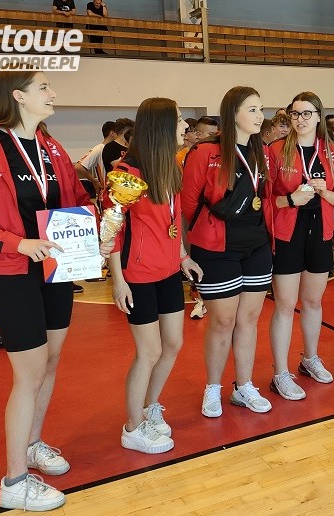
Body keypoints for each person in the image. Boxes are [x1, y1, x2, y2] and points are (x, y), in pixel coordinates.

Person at [0, 71, 92, 511]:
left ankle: (32, 442)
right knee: (29, 374)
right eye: (44, 87)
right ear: (18, 96)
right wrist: (17, 243)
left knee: (50, 363)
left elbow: (76, 199)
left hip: (55, 268)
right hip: (9, 271)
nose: (53, 93)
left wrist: (94, 225)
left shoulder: (51, 146)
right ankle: (14, 481)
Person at [99, 98, 199, 454]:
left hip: (169, 270)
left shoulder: (169, 166)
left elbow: (173, 218)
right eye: (179, 119)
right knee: (149, 351)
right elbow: (112, 232)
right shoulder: (126, 173)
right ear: (160, 127)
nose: (185, 126)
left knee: (173, 343)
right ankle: (132, 426)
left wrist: (182, 255)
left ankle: (150, 406)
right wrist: (118, 280)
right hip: (137, 275)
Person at [182, 86, 274, 416]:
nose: (260, 116)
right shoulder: (205, 152)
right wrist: (189, 248)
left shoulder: (261, 151)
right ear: (232, 113)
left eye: (261, 109)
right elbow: (188, 204)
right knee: (222, 322)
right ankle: (212, 387)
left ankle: (243, 386)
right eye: (252, 109)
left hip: (257, 246)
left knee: (248, 319)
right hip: (216, 249)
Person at [266, 92, 334, 400]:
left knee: (313, 302)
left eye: (306, 114)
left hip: (320, 232)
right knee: (286, 305)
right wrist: (290, 199)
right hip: (288, 233)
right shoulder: (276, 150)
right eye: (295, 114)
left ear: (318, 117)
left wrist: (326, 193)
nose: (300, 119)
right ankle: (280, 373)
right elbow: (264, 199)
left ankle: (310, 358)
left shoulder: (331, 152)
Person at [75, 120, 115, 198]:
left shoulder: (115, 150)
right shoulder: (99, 148)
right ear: (112, 133)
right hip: (105, 194)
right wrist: (94, 181)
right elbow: (78, 166)